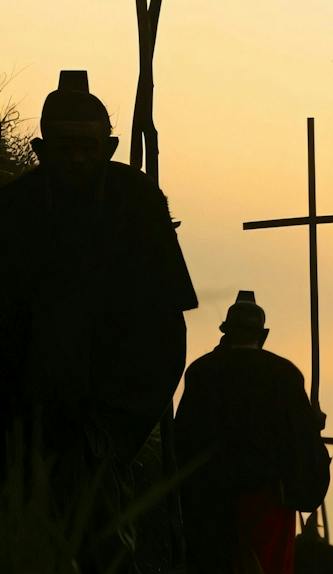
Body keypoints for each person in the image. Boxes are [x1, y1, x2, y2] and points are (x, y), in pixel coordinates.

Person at [0, 69, 196, 483]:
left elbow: (162, 330)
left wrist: (116, 432)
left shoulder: (137, 203)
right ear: (40, 149)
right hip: (24, 424)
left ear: (109, 148)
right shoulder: (16, 210)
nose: (77, 159)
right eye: (65, 148)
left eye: (87, 148)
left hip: (111, 422)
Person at [174, 291, 329, 574]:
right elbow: (300, 442)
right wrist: (312, 427)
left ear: (226, 332)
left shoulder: (202, 371)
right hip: (266, 502)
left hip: (209, 500)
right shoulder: (284, 375)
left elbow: (183, 438)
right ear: (263, 334)